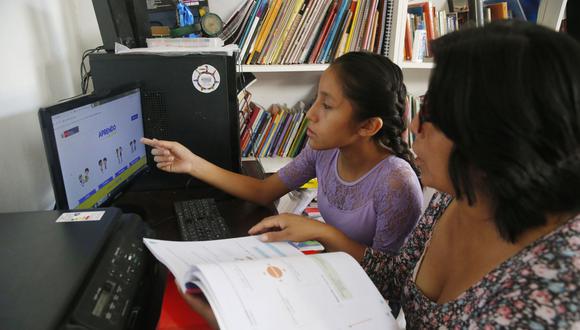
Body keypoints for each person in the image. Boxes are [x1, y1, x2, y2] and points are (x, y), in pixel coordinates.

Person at [247, 21, 580, 328]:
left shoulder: (553, 288)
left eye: (434, 116)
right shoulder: (452, 200)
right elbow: (396, 276)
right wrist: (320, 233)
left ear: (495, 137)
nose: (414, 126)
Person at [142, 51, 423, 254]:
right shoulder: (325, 153)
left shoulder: (396, 184)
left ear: (368, 126)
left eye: (326, 105)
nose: (310, 114)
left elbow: (388, 278)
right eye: (316, 100)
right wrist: (191, 164)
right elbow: (264, 191)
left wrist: (320, 231)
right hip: (332, 273)